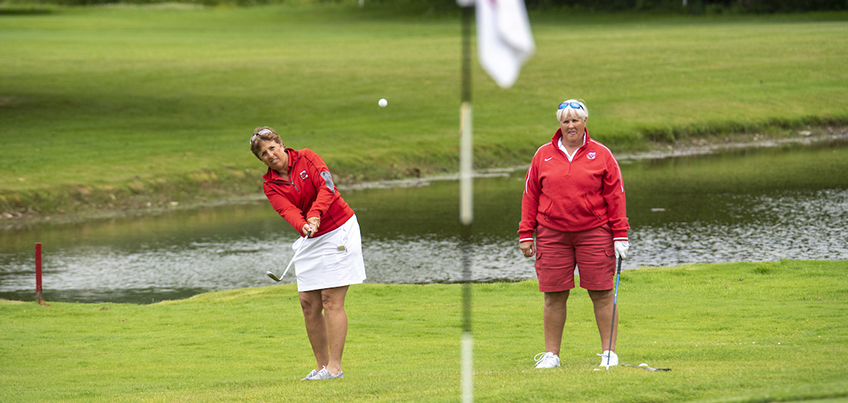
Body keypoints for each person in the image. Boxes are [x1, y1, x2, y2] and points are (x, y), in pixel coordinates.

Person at [517, 100, 630, 369]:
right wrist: (525, 233)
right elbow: (530, 195)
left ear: (585, 122)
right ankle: (551, 356)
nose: (571, 126)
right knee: (554, 294)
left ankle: (608, 354)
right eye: (566, 121)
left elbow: (616, 195)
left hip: (594, 232)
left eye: (575, 120)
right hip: (552, 234)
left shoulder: (602, 154)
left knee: (602, 292)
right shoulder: (542, 154)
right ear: (559, 124)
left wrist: (620, 235)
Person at [249, 126, 366, 381]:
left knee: (330, 299)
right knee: (308, 303)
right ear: (261, 160)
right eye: (263, 154)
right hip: (310, 235)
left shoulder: (308, 157)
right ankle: (322, 367)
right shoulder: (270, 184)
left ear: (281, 144)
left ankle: (335, 368)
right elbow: (286, 210)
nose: (270, 155)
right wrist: (302, 224)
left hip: (338, 229)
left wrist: (314, 214)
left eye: (272, 148)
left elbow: (327, 188)